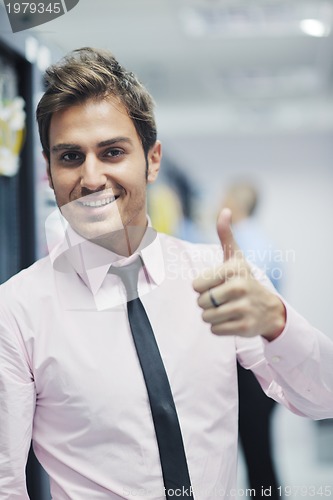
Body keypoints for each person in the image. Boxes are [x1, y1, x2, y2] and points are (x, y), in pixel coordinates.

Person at [0, 47, 332, 500]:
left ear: (152, 159)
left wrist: (277, 322)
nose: (92, 177)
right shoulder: (17, 311)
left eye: (112, 152)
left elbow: (322, 398)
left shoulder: (217, 275)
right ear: (50, 170)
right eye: (71, 157)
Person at [220, 181, 283, 499]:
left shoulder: (243, 244)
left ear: (235, 203)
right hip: (266, 360)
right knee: (258, 449)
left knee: (255, 450)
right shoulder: (262, 241)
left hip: (252, 363)